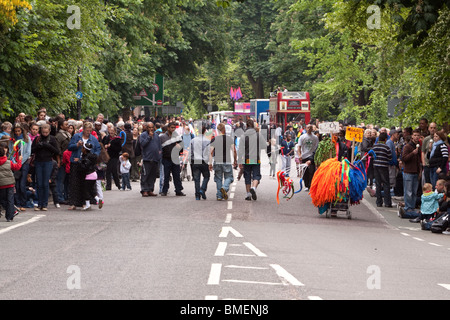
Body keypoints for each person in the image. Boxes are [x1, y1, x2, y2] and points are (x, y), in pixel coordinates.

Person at [67, 122, 101, 210]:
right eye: (86, 130)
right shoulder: (76, 136)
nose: (88, 132)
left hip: (86, 163)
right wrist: (77, 145)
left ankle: (84, 203)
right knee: (74, 183)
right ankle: (73, 203)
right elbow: (69, 147)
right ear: (83, 129)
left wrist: (93, 157)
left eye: (90, 131)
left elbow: (98, 149)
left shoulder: (93, 139)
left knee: (84, 184)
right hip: (76, 162)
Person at [237, 119, 267, 201]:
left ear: (246, 126)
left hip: (246, 160)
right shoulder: (258, 135)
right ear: (253, 126)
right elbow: (264, 146)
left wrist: (239, 161)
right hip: (256, 159)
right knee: (256, 175)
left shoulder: (243, 136)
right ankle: (253, 188)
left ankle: (248, 195)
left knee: (247, 176)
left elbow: (240, 150)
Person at [8, 123, 32, 212]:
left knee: (22, 184)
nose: (17, 133)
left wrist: (20, 162)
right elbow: (11, 151)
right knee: (16, 184)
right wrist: (14, 162)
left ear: (22, 131)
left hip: (24, 163)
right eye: (16, 131)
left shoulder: (27, 139)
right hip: (15, 163)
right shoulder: (12, 140)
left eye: (19, 131)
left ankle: (23, 203)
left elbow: (28, 152)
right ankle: (17, 203)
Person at [209, 123, 237, 201]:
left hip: (217, 161)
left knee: (218, 178)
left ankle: (219, 196)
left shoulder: (214, 139)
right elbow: (234, 150)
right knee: (229, 177)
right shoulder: (229, 139)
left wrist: (210, 163)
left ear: (218, 130)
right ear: (224, 129)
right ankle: (224, 188)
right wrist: (235, 160)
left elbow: (211, 152)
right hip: (227, 161)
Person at [398, 129, 422, 219]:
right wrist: (413, 153)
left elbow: (419, 161)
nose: (416, 137)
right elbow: (404, 158)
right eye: (415, 135)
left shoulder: (418, 146)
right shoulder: (408, 146)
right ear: (412, 136)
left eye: (418, 135)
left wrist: (419, 171)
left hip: (415, 171)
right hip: (408, 172)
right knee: (408, 191)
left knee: (414, 192)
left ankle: (411, 207)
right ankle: (408, 207)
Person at [160, 122, 185, 196]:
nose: (173, 129)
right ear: (168, 128)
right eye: (172, 127)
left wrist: (179, 148)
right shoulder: (162, 137)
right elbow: (159, 148)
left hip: (175, 158)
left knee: (176, 175)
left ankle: (178, 190)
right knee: (166, 175)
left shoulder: (177, 137)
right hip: (166, 158)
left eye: (174, 128)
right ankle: (164, 190)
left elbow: (182, 147)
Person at [137, 122, 161, 197]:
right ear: (146, 128)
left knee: (153, 175)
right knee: (145, 175)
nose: (151, 129)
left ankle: (150, 189)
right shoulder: (143, 135)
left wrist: (159, 154)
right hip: (147, 158)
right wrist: (149, 137)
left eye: (152, 127)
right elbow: (142, 144)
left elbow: (159, 146)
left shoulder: (156, 135)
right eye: (149, 127)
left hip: (155, 158)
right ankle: (144, 190)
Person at [0, 139, 22, 221]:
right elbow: (17, 167)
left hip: (1, 184)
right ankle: (10, 216)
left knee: (2, 200)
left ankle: (12, 212)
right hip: (10, 184)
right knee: (10, 199)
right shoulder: (8, 162)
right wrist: (19, 160)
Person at [372, 132, 393, 208]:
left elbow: (372, 156)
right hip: (384, 167)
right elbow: (390, 157)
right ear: (385, 139)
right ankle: (387, 203)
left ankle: (379, 202)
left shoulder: (374, 146)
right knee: (386, 184)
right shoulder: (386, 147)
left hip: (376, 166)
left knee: (378, 184)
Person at [190, 125, 211, 200]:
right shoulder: (207, 141)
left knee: (196, 179)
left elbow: (191, 152)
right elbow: (209, 153)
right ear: (205, 131)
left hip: (195, 161)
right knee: (206, 176)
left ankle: (197, 195)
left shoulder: (193, 140)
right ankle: (203, 189)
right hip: (204, 162)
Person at [297, 124, 319, 190]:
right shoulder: (302, 137)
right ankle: (306, 185)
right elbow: (299, 147)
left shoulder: (315, 137)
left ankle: (310, 185)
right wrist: (300, 155)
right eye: (308, 127)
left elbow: (316, 147)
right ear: (306, 128)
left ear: (312, 129)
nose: (309, 129)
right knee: (305, 172)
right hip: (304, 156)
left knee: (311, 171)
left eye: (310, 127)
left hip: (311, 156)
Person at [55, 119, 72, 204]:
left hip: (68, 159)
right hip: (62, 160)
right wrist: (58, 160)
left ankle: (66, 196)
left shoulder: (68, 134)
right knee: (60, 179)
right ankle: (59, 197)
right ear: (61, 126)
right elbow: (58, 150)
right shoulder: (59, 136)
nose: (67, 126)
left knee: (67, 180)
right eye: (65, 124)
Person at [79, 142, 98, 211]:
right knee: (91, 189)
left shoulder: (86, 157)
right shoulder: (93, 156)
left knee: (86, 190)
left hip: (89, 174)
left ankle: (88, 204)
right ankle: (97, 199)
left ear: (84, 149)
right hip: (94, 174)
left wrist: (79, 162)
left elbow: (85, 167)